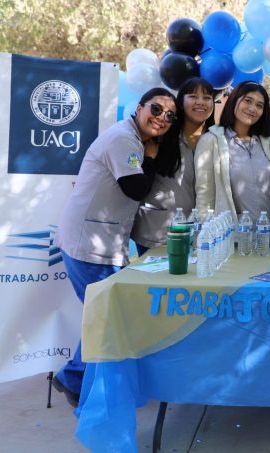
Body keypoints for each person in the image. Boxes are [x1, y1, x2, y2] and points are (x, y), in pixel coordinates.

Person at [53, 87, 177, 406]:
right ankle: (74, 378)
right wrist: (151, 158)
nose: (162, 117)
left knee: (108, 313)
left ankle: (78, 377)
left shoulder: (133, 138)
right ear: (139, 107)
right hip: (89, 243)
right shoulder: (124, 139)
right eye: (156, 109)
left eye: (170, 115)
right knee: (107, 314)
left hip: (103, 241)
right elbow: (135, 188)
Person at [131, 77, 214, 254]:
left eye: (207, 98)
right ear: (181, 101)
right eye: (193, 96)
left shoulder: (217, 139)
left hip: (201, 234)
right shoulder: (160, 133)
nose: (201, 102)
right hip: (156, 233)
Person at [195, 82, 270, 218]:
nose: (253, 109)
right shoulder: (211, 141)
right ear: (234, 101)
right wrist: (203, 226)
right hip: (233, 230)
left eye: (259, 105)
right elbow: (204, 196)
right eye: (248, 101)